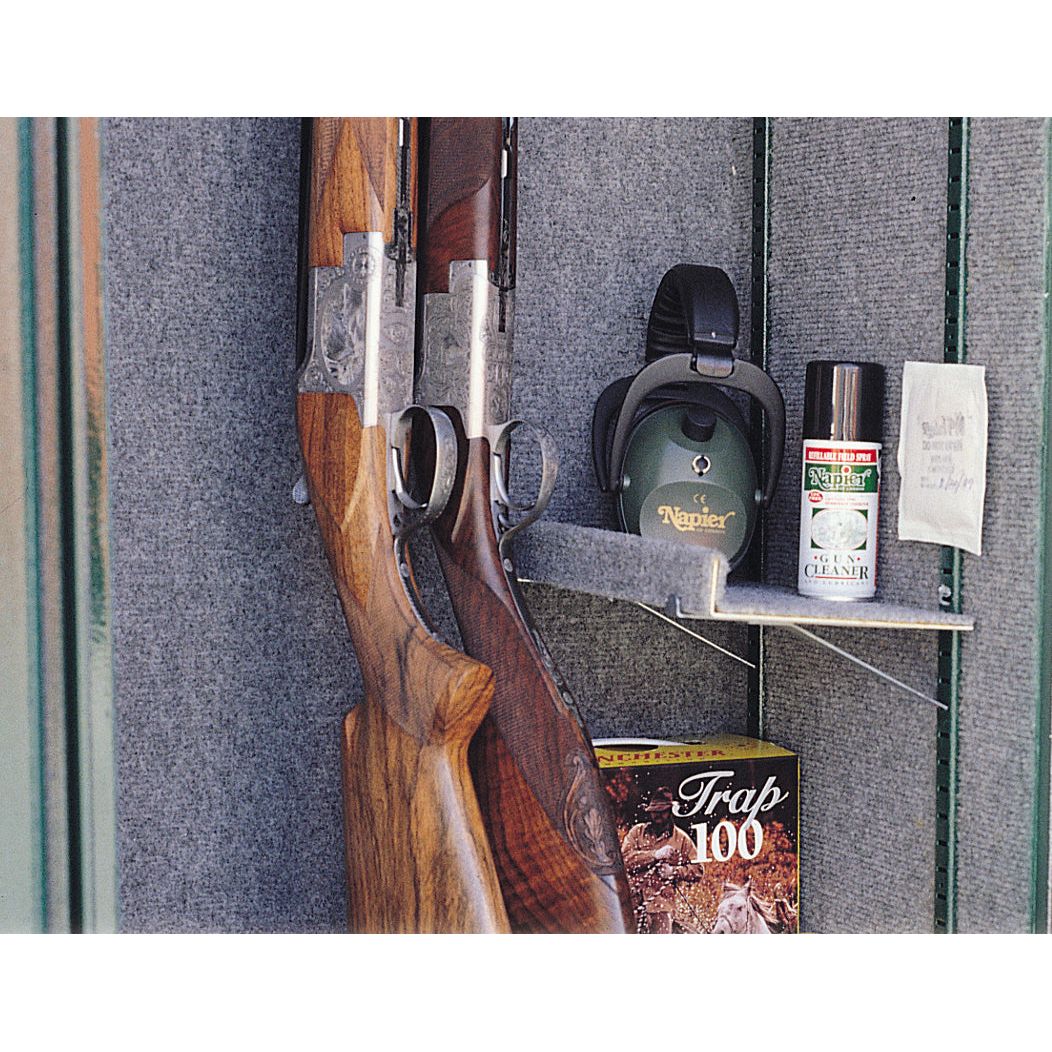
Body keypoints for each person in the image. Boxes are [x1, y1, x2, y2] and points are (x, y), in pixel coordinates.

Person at [620, 786, 701, 933]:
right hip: (632, 905)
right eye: (654, 812)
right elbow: (624, 860)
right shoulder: (637, 832)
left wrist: (674, 872)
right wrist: (655, 855)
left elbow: (697, 870)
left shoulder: (682, 840)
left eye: (661, 812)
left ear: (670, 811)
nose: (657, 816)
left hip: (662, 907)